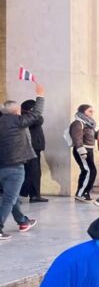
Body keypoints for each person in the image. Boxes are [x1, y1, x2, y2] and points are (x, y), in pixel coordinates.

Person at [0, 85, 44, 239]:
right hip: (15, 167)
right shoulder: (18, 121)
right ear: (16, 111)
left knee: (12, 197)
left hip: (2, 166)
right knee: (9, 199)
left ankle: (22, 221)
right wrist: (40, 96)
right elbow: (37, 113)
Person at [18, 99, 47, 202]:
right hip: (31, 147)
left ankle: (35, 195)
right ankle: (20, 193)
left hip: (35, 147)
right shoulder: (26, 117)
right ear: (31, 109)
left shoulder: (29, 117)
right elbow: (39, 120)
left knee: (35, 172)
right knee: (31, 172)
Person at [69, 104, 98, 202]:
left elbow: (93, 136)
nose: (92, 113)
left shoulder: (89, 123)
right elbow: (77, 138)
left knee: (89, 171)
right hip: (82, 150)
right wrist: (81, 151)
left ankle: (84, 193)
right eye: (90, 111)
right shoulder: (78, 123)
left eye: (92, 111)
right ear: (83, 112)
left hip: (89, 150)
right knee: (89, 171)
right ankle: (81, 194)